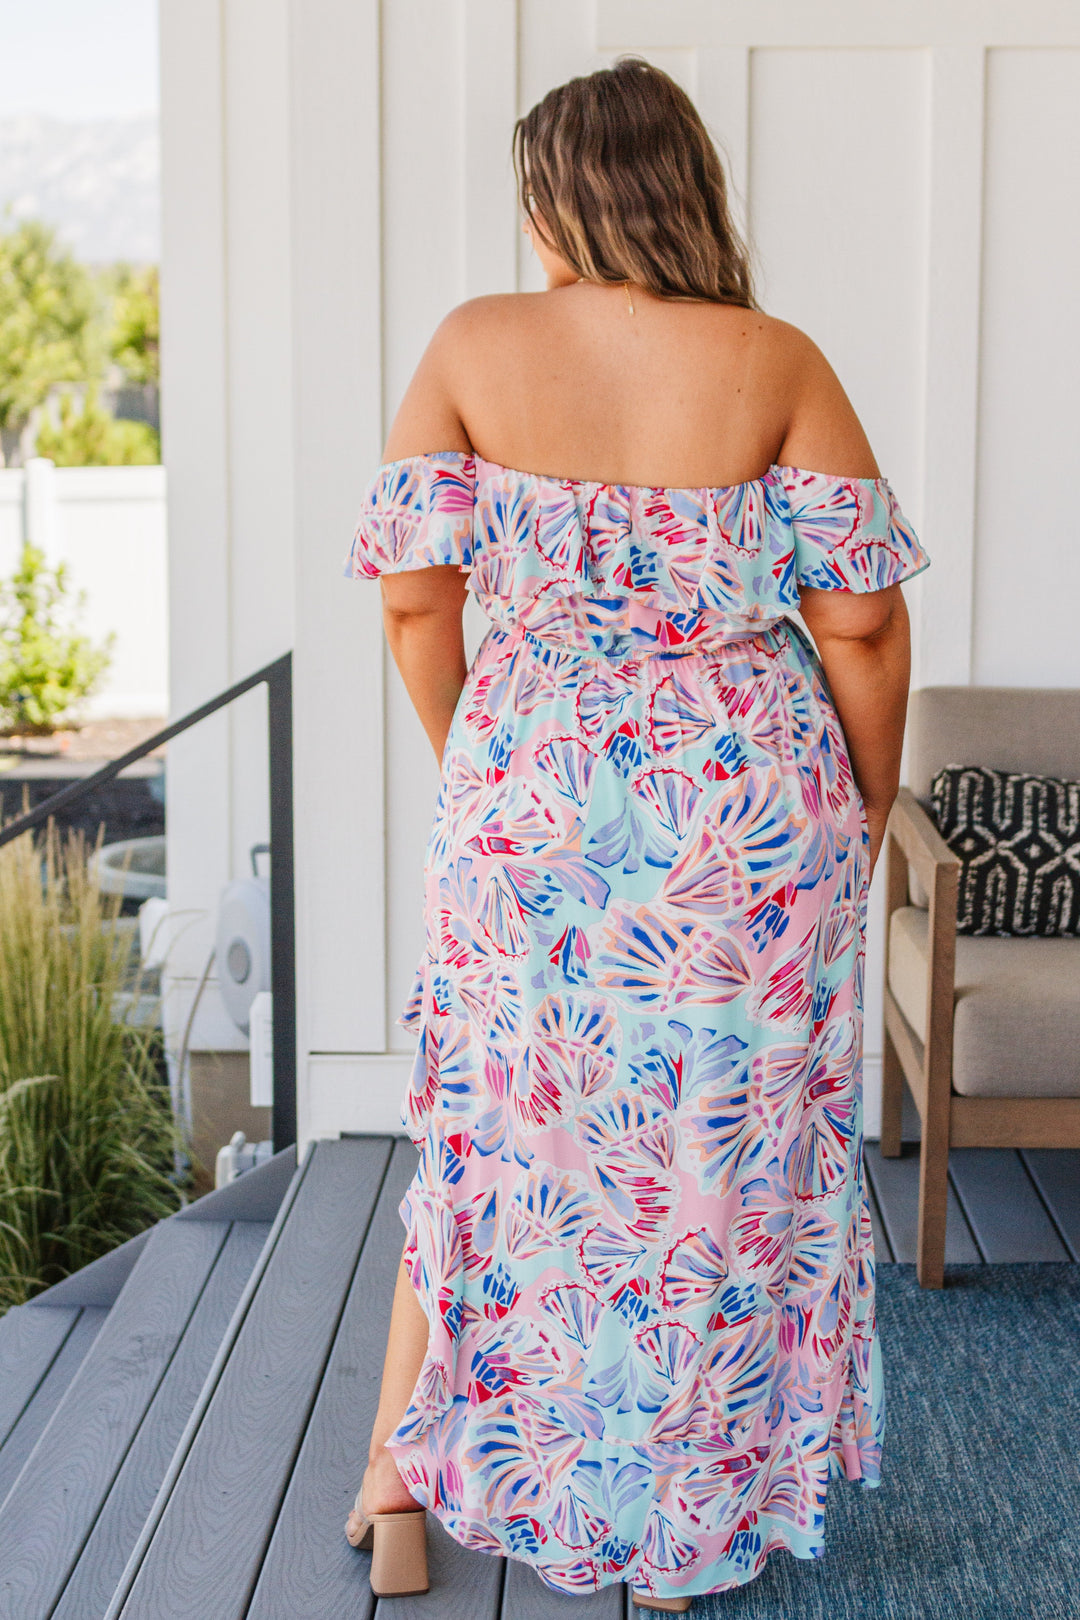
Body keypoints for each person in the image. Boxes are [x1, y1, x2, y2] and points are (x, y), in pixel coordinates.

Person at [341, 55, 929, 1612]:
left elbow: (414, 600)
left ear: (555, 197)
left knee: (492, 1134)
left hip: (529, 795)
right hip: (742, 824)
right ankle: (680, 1532)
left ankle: (398, 1481)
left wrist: (485, 766)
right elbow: (862, 625)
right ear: (687, 190)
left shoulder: (474, 344)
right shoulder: (772, 357)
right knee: (709, 1166)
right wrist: (865, 806)